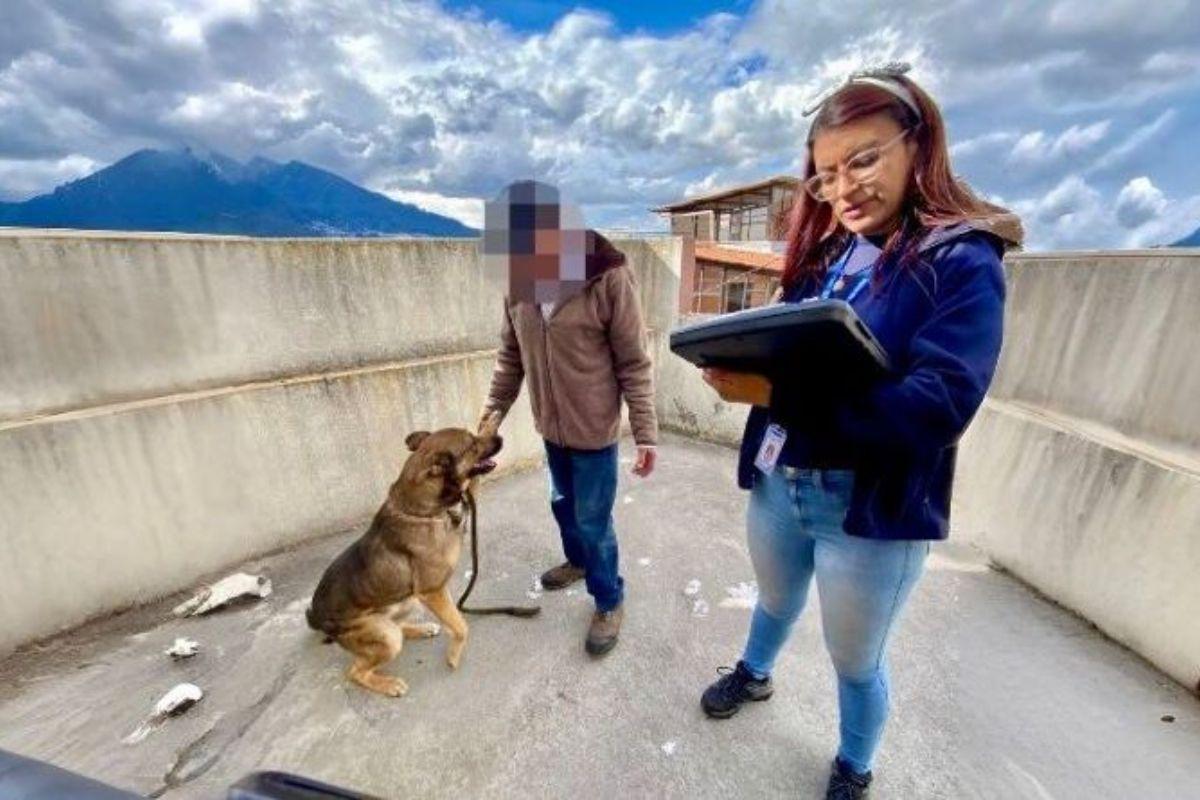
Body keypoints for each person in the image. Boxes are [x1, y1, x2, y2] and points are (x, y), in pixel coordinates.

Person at [696, 64, 1022, 799]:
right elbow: (798, 347)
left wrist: (777, 391)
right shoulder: (828, 252)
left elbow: (936, 407)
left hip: (870, 512)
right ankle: (754, 673)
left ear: (920, 143)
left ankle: (853, 763)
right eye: (827, 174)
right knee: (774, 600)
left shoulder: (963, 261)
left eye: (865, 159)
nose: (844, 190)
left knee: (855, 659)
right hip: (783, 482)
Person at [480, 182, 657, 657]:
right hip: (551, 425)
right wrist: (491, 415)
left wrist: (645, 433)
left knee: (593, 519)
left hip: (595, 429)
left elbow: (634, 361)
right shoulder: (517, 285)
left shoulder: (607, 276)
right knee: (562, 503)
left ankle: (608, 598)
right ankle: (578, 562)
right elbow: (510, 356)